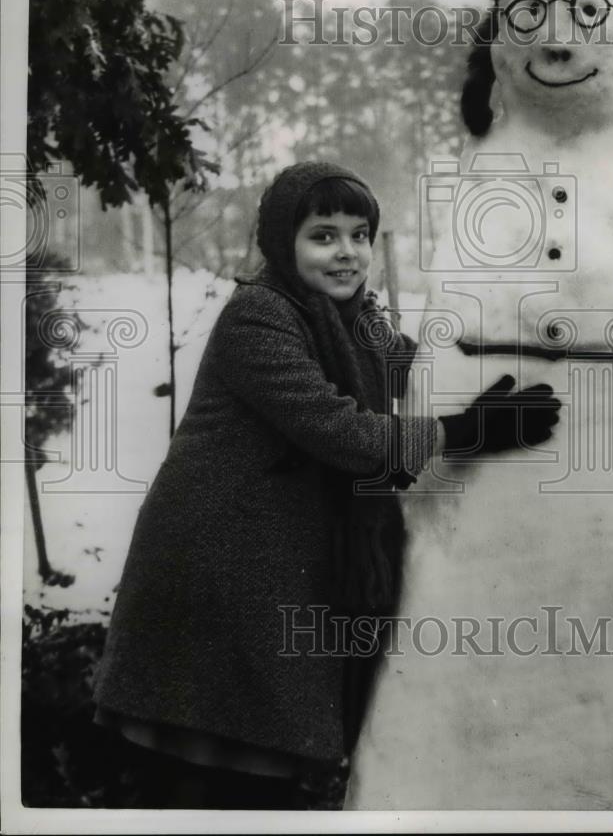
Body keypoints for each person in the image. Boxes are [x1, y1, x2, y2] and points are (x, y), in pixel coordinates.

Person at [93, 161, 561, 809]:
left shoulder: (356, 321)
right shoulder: (259, 317)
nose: (348, 253)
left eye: (360, 234)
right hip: (215, 582)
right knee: (212, 787)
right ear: (284, 243)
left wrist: (520, 341)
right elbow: (347, 435)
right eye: (324, 235)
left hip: (268, 575)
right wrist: (469, 430)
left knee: (258, 777)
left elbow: (423, 371)